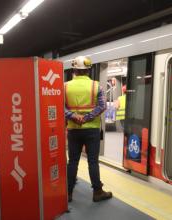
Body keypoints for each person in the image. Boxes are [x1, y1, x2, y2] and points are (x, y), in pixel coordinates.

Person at [65, 55, 112, 202]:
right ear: (88, 70)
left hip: (73, 129)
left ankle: (68, 193)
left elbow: (58, 107)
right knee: (93, 161)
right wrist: (86, 118)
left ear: (74, 70)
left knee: (72, 161)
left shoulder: (64, 86)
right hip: (91, 129)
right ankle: (97, 192)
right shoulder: (97, 86)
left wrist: (73, 116)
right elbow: (102, 105)